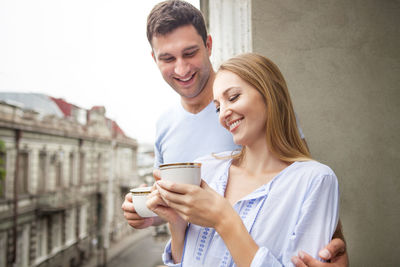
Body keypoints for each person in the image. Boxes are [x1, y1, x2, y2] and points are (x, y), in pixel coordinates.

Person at [121, 1, 348, 265]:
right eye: (168, 58)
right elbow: (183, 214)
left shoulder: (290, 151)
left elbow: (304, 189)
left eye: (190, 53)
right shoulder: (168, 129)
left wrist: (333, 247)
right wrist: (155, 214)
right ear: (154, 59)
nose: (181, 69)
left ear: (208, 45)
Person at [147, 53, 339, 266]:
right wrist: (177, 224)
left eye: (234, 97)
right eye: (218, 107)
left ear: (270, 94)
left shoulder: (314, 181)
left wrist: (224, 219)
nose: (223, 114)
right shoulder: (206, 169)